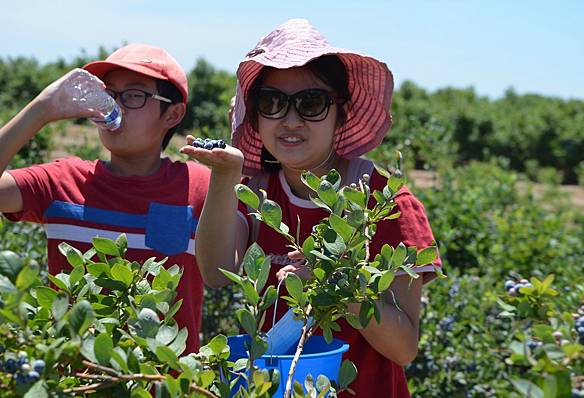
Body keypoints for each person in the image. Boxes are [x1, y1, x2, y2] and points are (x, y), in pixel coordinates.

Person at [183, 19, 442, 397]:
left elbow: (403, 348)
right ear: (255, 114)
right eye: (272, 102)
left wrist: (338, 285)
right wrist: (224, 178)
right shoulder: (256, 190)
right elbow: (218, 273)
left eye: (311, 103)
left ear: (341, 111)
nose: (290, 120)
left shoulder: (383, 203)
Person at [0, 44, 210, 354]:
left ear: (173, 113)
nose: (115, 106)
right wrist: (41, 109)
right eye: (110, 94)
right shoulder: (60, 181)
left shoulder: (200, 186)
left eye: (134, 95)